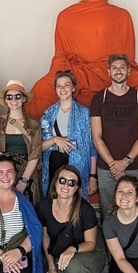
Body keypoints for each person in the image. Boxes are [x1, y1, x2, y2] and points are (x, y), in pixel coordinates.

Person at [28, 163, 104, 273]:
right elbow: (45, 237)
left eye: (72, 183)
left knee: (74, 265)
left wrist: (73, 249)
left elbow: (90, 243)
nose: (66, 186)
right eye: (62, 180)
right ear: (55, 182)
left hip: (88, 255)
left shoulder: (85, 210)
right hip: (59, 257)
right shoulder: (44, 206)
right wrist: (51, 269)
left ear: (76, 188)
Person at [90, 54, 138, 217]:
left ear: (128, 71)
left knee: (137, 212)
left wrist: (126, 161)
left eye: (122, 67)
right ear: (108, 72)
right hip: (106, 168)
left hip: (134, 166)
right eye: (114, 68)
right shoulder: (98, 99)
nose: (118, 71)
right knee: (109, 212)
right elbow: (96, 136)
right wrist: (113, 165)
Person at [40, 69, 98, 199]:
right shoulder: (47, 114)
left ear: (73, 88)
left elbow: (92, 147)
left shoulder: (85, 114)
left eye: (66, 84)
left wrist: (92, 177)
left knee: (76, 205)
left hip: (78, 167)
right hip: (53, 166)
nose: (62, 88)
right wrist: (55, 139)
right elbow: (40, 147)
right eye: (58, 85)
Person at [0, 81, 42, 202]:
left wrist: (24, 180)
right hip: (4, 173)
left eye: (18, 96)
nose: (14, 100)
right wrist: (4, 177)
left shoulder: (33, 123)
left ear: (23, 99)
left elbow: (35, 153)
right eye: (9, 96)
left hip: (27, 173)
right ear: (6, 100)